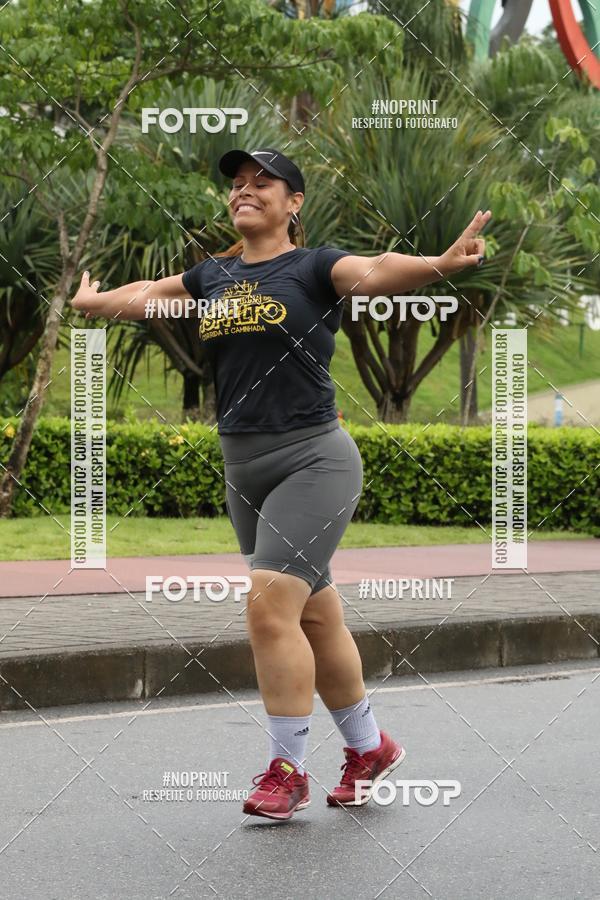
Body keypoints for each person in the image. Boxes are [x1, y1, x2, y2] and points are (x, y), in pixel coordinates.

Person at [72, 147, 491, 821]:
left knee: (269, 608)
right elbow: (151, 294)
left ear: (293, 202)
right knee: (314, 614)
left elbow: (378, 270)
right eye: (237, 184)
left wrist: (440, 265)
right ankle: (369, 747)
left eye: (261, 183)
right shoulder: (214, 275)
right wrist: (95, 302)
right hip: (243, 467)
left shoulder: (314, 265)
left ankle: (286, 768)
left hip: (314, 459)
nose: (244, 191)